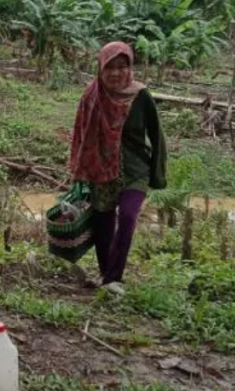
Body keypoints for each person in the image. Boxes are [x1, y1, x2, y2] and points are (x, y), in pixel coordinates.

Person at [68, 42, 167, 294]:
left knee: (127, 218)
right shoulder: (92, 94)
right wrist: (80, 169)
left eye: (122, 67)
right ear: (100, 69)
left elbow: (157, 135)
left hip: (135, 171)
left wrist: (157, 173)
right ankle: (106, 275)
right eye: (109, 67)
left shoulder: (141, 95)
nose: (115, 73)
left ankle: (114, 278)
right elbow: (81, 133)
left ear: (130, 68)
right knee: (103, 221)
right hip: (101, 169)